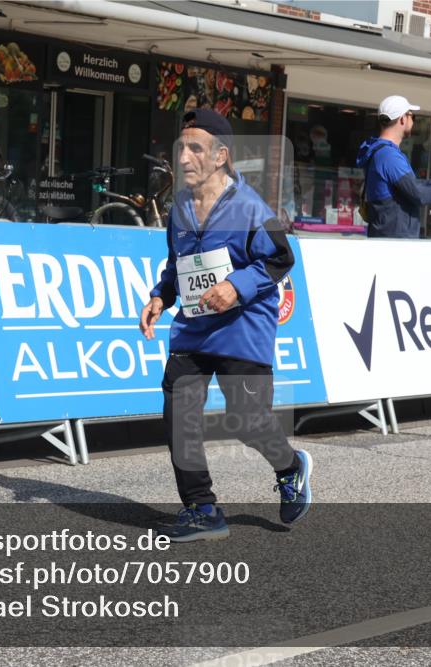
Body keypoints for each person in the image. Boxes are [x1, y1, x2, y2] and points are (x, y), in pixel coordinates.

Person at [139, 109, 313, 543]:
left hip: (242, 328)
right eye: (181, 148)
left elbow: (279, 258)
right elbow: (179, 264)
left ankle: (290, 466)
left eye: (194, 148)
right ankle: (202, 508)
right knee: (179, 415)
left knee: (247, 420)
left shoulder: (250, 207)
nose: (184, 157)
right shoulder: (178, 207)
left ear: (220, 156)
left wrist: (236, 287)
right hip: (194, 327)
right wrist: (162, 295)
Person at [357, 95, 431, 238]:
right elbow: (419, 195)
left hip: (389, 241)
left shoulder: (382, 152)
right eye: (411, 116)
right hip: (395, 245)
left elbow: (411, 187)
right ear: (402, 119)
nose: (412, 121)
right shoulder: (388, 156)